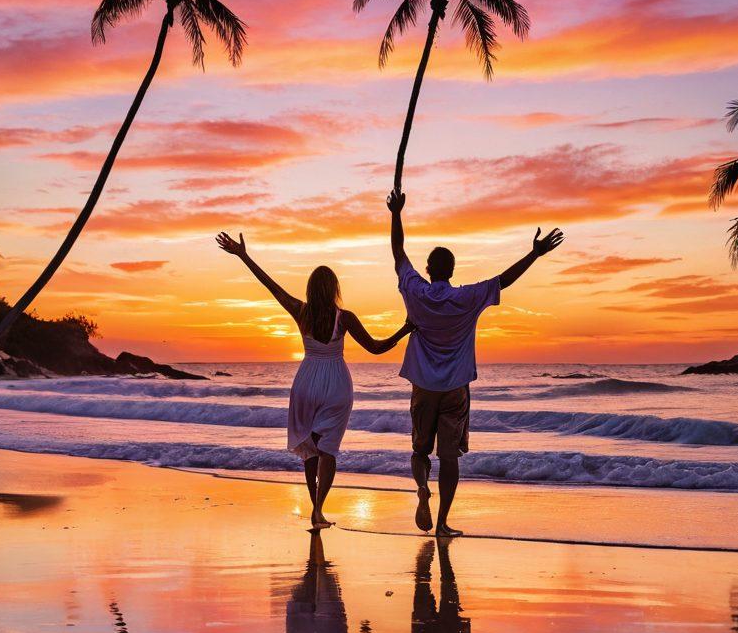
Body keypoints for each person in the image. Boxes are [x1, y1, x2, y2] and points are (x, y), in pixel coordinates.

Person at [386, 189, 563, 534]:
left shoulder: (415, 291)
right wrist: (534, 254)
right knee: (449, 457)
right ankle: (442, 524)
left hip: (423, 385)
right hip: (455, 388)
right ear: (452, 270)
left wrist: (396, 213)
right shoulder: (466, 297)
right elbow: (504, 280)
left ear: (428, 270)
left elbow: (397, 252)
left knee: (420, 451)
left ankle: (422, 488)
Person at [217, 231, 411, 529]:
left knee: (309, 448)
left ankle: (315, 510)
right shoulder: (344, 318)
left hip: (306, 382)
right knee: (328, 448)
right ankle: (319, 508)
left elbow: (271, 286)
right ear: (334, 289)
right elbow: (375, 347)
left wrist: (244, 256)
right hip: (336, 384)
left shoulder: (301, 311)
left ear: (310, 289)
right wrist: (405, 329)